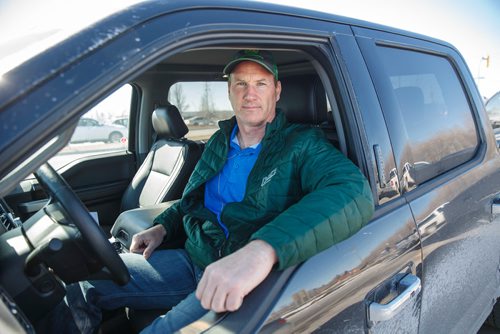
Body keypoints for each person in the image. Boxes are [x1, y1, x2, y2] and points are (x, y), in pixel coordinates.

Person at [54, 50, 374, 333]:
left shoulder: (301, 144)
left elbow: (352, 191)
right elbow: (194, 199)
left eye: (260, 83)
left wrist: (262, 250)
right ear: (230, 92)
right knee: (81, 289)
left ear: (276, 91)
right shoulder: (220, 141)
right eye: (240, 84)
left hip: (242, 278)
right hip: (193, 258)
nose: (250, 94)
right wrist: (163, 226)